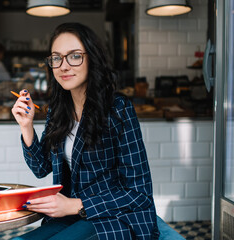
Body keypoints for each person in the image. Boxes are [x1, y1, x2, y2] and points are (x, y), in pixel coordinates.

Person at [11, 22, 159, 240]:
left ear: (92, 59)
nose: (63, 66)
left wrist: (74, 205)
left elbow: (139, 194)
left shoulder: (118, 109)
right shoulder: (59, 110)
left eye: (74, 56)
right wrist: (26, 127)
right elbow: (41, 168)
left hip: (116, 219)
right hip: (73, 217)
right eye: (56, 58)